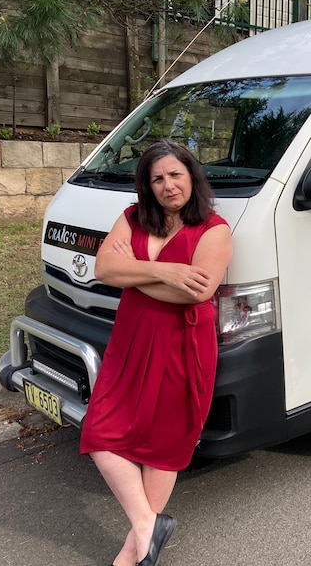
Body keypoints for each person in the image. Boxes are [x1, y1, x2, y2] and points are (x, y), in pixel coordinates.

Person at [79, 139, 232, 566]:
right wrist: (164, 271)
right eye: (157, 178)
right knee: (100, 435)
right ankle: (149, 524)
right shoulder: (132, 218)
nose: (168, 185)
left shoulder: (215, 229)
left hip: (184, 344)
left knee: (162, 444)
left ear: (192, 177)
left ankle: (133, 553)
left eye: (175, 175)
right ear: (147, 186)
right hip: (132, 339)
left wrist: (133, 275)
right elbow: (104, 268)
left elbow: (196, 292)